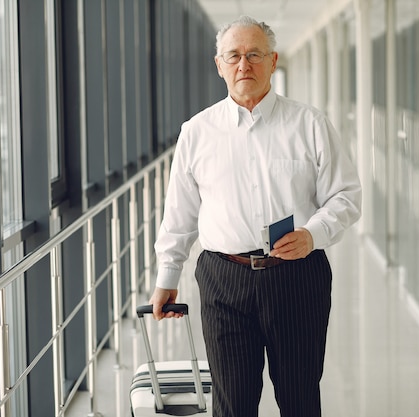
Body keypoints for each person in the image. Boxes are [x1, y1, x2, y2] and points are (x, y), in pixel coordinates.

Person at [149, 15, 362, 417]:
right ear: (219, 65)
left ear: (273, 61)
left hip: (297, 277)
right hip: (223, 281)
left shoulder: (310, 124)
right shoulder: (196, 132)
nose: (243, 65)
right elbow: (179, 213)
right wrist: (167, 277)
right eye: (233, 56)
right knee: (233, 404)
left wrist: (313, 234)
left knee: (300, 399)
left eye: (254, 54)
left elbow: (346, 195)